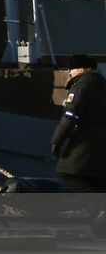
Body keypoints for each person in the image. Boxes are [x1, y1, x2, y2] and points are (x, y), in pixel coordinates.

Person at [52, 55, 106, 194]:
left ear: (81, 69)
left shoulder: (80, 87)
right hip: (101, 143)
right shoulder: (102, 85)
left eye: (72, 68)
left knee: (68, 172)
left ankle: (99, 207)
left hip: (85, 141)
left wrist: (56, 141)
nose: (70, 72)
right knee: (96, 179)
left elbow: (70, 117)